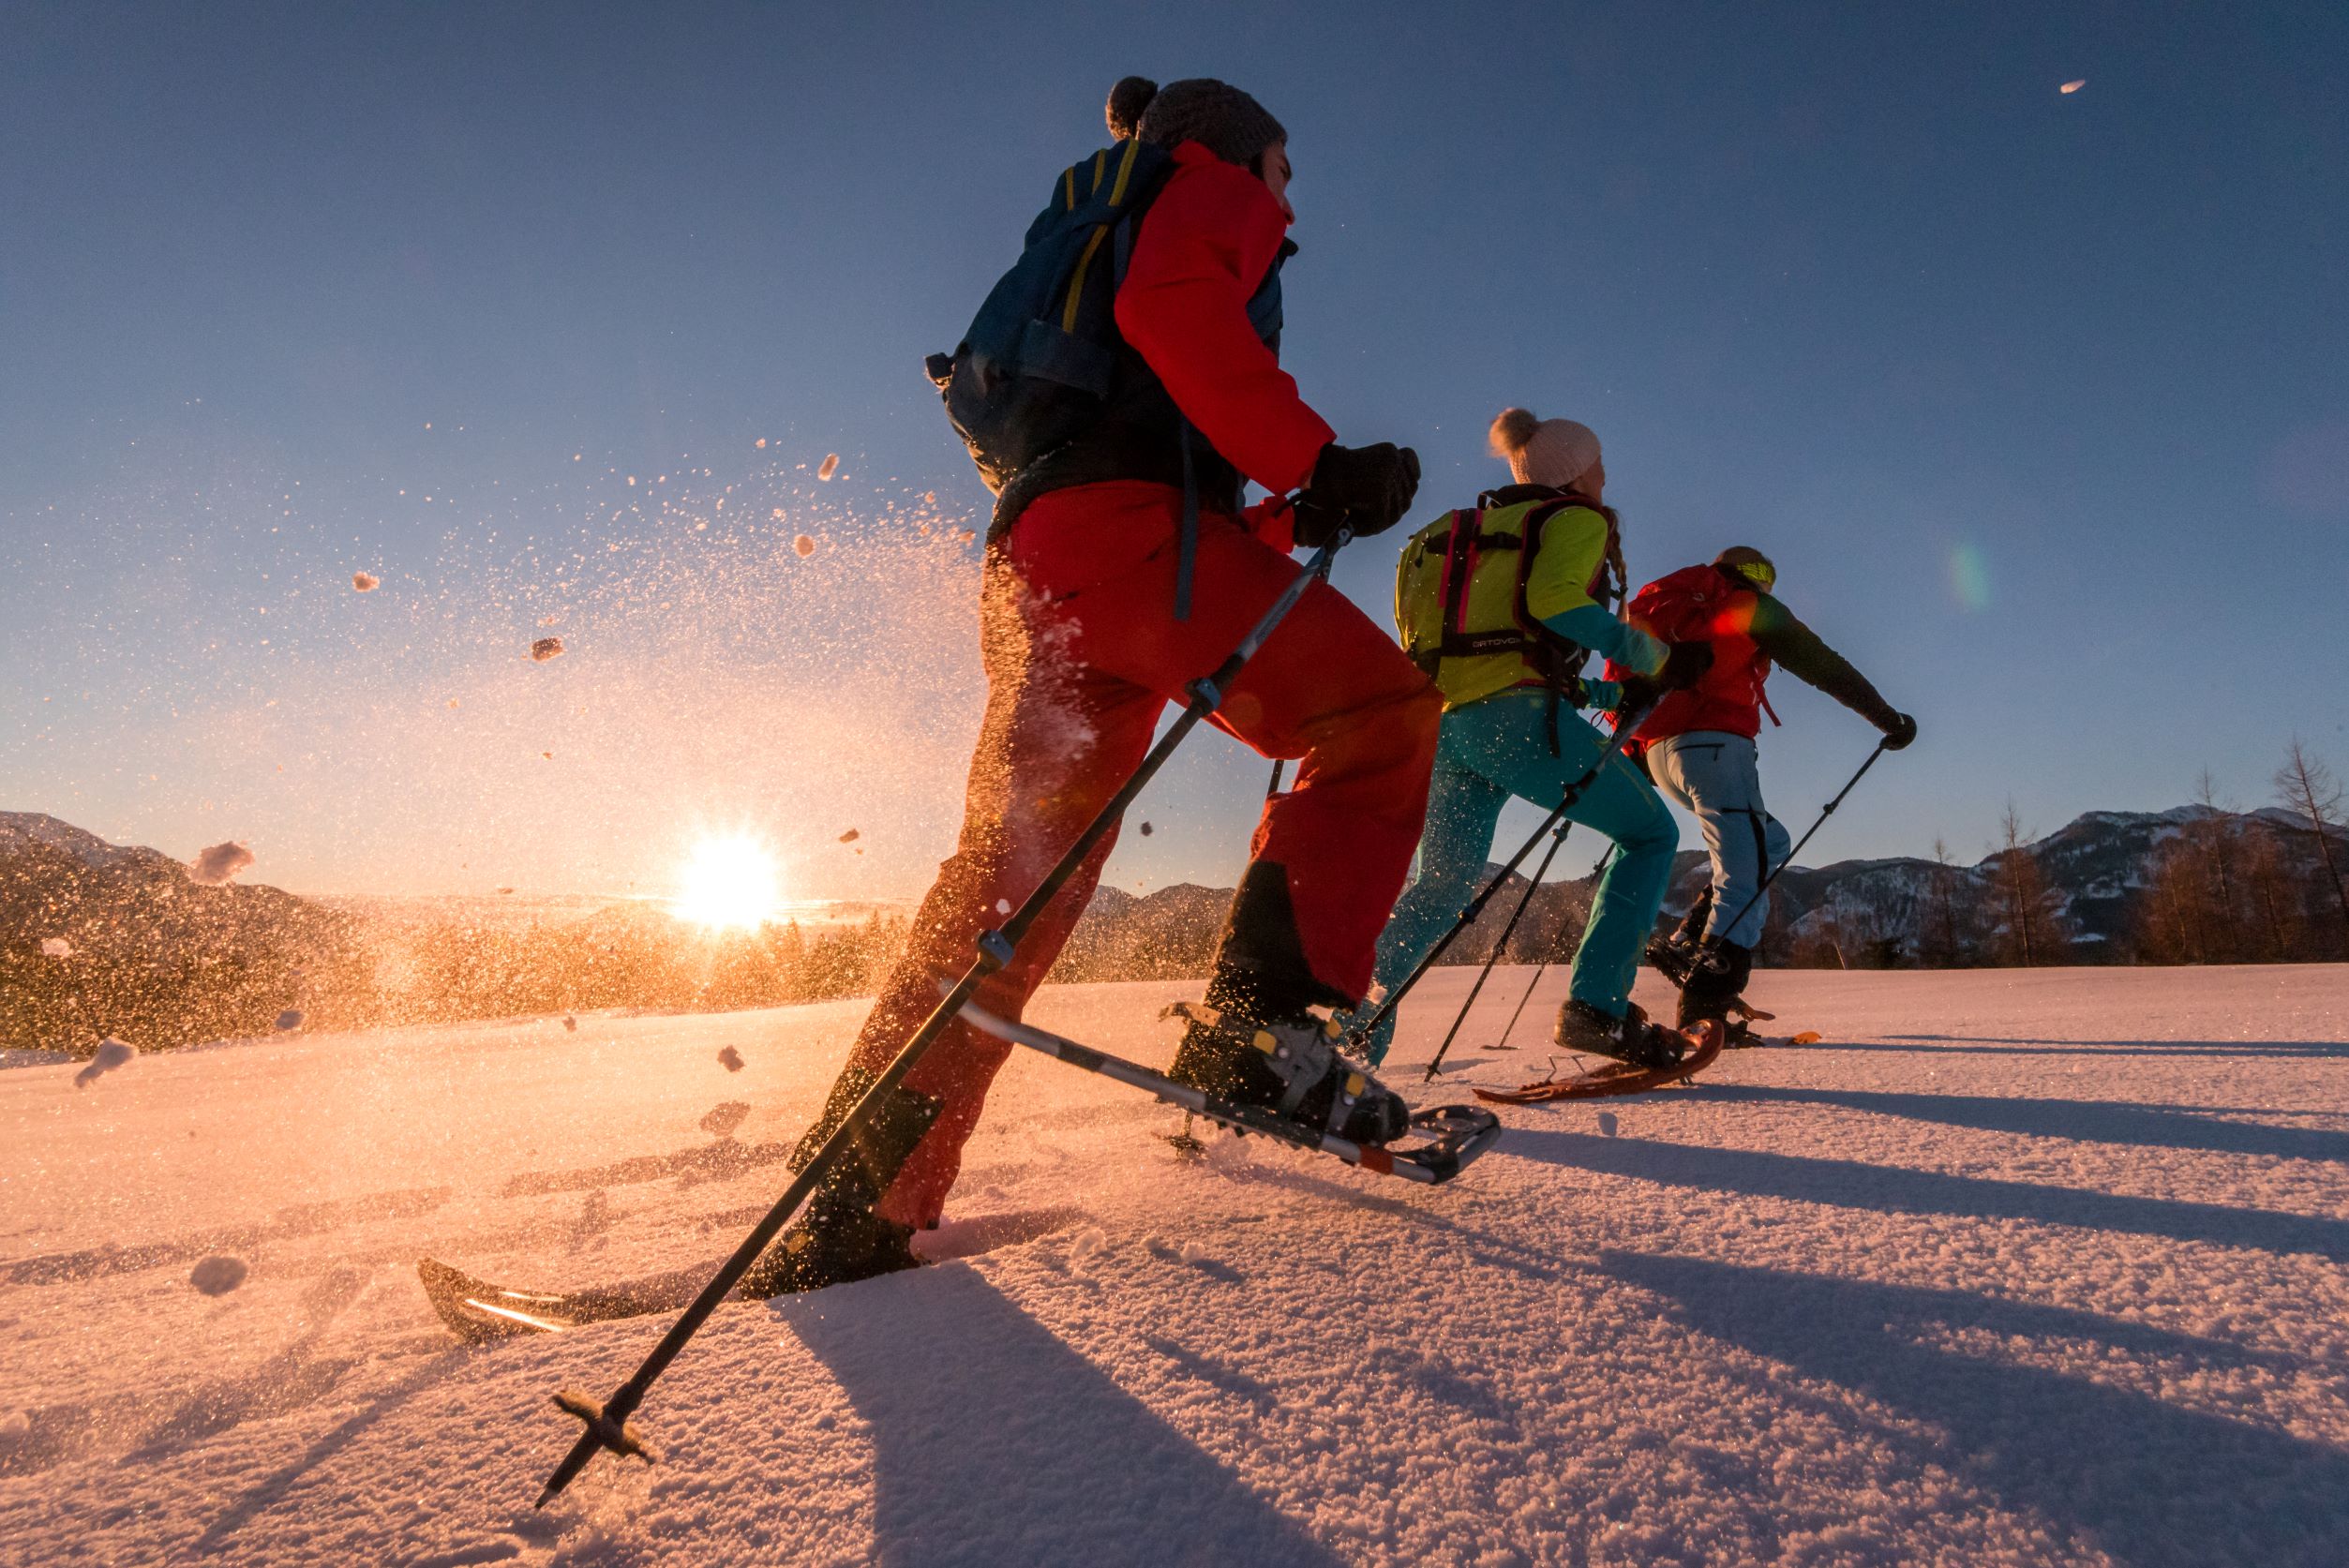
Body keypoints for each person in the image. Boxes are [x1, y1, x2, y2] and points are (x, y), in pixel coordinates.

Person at [756, 77, 1442, 1295]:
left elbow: (1138, 419)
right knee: (1380, 715)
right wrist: (1315, 460)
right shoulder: (1212, 185)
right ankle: (1263, 1032)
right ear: (1242, 151)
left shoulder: (1090, 214)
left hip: (1039, 562)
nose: (1289, 198)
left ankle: (861, 1187)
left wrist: (1281, 512)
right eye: (1286, 170)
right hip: (1136, 542)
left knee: (1015, 874)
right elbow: (1170, 308)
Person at [1333, 410, 1709, 1073]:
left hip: (1442, 728)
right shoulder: (1576, 519)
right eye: (1597, 465)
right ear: (1573, 472)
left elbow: (1482, 650)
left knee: (1439, 889)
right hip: (1517, 725)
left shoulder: (1445, 535)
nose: (1604, 477)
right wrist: (1655, 659)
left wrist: (1606, 696)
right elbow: (1554, 603)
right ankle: (1595, 1006)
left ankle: (1348, 1030)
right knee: (1651, 836)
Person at [1610, 545, 1916, 1033]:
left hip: (1659, 756)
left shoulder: (1673, 603)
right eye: (1762, 574)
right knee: (1744, 874)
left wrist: (1635, 753)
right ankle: (1706, 1005)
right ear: (1745, 575)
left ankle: (1691, 941)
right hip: (1715, 748)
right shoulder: (1747, 604)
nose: (1765, 583)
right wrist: (1886, 719)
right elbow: (1823, 665)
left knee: (1770, 842)